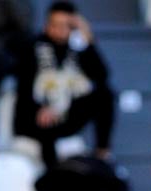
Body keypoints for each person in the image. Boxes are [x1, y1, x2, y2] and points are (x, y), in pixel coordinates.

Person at [14, 1, 115, 167]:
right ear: (47, 24)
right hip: (37, 114)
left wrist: (86, 38)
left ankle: (102, 153)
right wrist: (41, 107)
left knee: (105, 95)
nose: (59, 30)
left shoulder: (78, 47)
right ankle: (52, 176)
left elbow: (102, 76)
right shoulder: (32, 47)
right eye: (55, 24)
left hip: (67, 112)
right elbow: (23, 87)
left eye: (65, 25)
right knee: (46, 122)